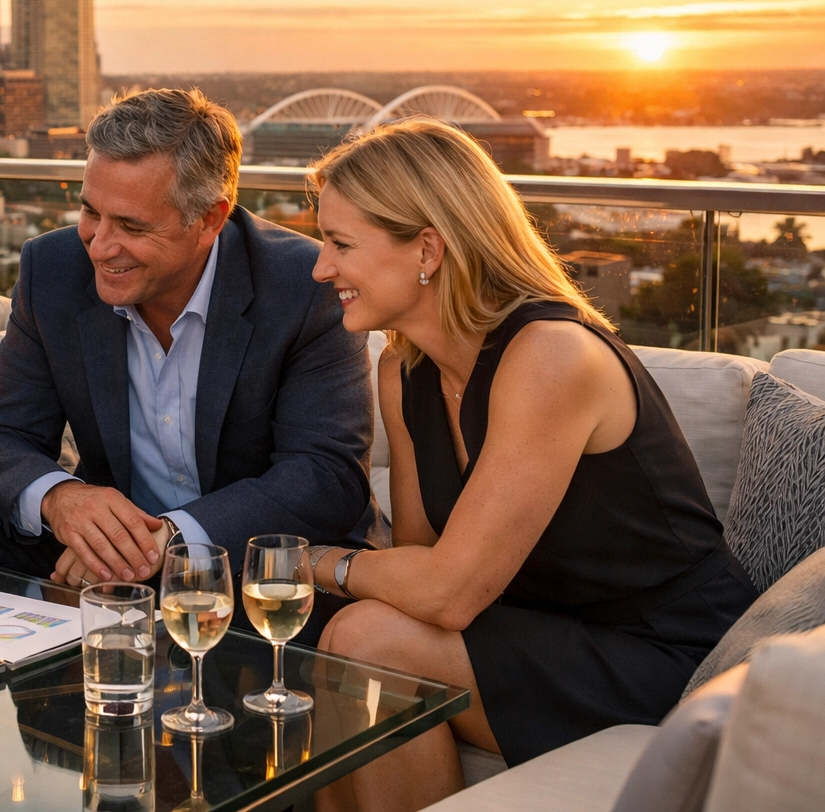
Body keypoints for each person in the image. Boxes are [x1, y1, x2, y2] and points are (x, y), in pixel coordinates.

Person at [305, 118, 757, 812]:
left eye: (340, 244)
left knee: (367, 640)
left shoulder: (549, 356)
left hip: (670, 658)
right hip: (545, 634)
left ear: (427, 247)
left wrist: (309, 564)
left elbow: (446, 593)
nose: (320, 267)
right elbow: (418, 566)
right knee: (354, 642)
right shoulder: (404, 368)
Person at [0, 87, 376, 595]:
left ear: (210, 219)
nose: (99, 245)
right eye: (90, 212)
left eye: (130, 225)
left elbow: (324, 475)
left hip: (251, 559)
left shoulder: (304, 283)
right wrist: (63, 501)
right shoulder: (53, 269)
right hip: (101, 546)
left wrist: (165, 542)